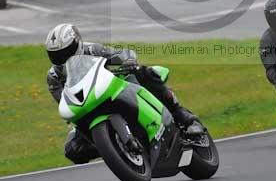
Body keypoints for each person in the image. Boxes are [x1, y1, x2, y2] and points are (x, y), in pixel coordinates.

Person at [46, 23, 201, 164]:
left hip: (110, 89)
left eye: (66, 52)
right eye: (57, 55)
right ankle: (115, 148)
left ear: (77, 44)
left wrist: (127, 60)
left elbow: (117, 55)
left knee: (144, 73)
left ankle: (182, 115)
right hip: (87, 106)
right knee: (72, 150)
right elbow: (64, 101)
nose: (63, 58)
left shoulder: (92, 49)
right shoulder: (53, 77)